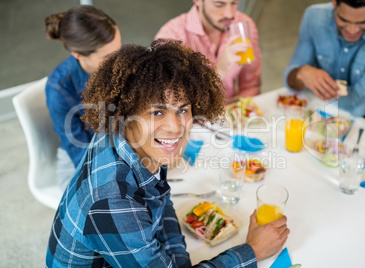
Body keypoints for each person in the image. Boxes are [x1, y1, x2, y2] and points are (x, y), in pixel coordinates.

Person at [45, 40, 289, 267]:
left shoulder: (135, 141)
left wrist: (178, 260)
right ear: (126, 114)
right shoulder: (113, 203)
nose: (175, 127)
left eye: (183, 110)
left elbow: (159, 201)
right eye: (157, 112)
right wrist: (253, 251)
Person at [284, 0, 365, 124]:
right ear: (334, 2)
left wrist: (311, 86)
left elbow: (358, 106)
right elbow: (290, 80)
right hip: (323, 115)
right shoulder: (314, 17)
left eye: (363, 22)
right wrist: (301, 73)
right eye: (344, 20)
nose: (352, 31)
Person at [45, 5, 122, 190]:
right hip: (84, 157)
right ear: (78, 55)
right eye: (108, 57)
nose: (119, 60)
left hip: (120, 143)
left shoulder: (119, 58)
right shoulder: (59, 89)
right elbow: (79, 151)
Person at [155, 0, 261, 103]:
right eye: (219, 4)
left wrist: (244, 112)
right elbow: (171, 102)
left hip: (233, 110)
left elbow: (251, 85)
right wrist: (218, 71)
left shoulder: (244, 26)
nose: (229, 14)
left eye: (234, 3)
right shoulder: (171, 38)